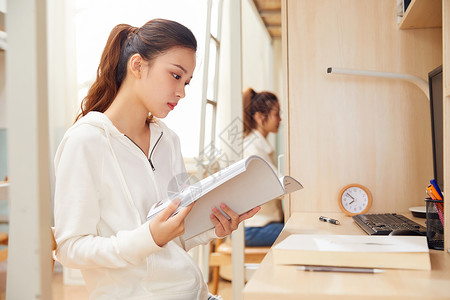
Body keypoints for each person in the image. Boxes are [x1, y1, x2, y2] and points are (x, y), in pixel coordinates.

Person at [53, 19, 259, 300]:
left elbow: (174, 240)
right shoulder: (85, 141)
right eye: (176, 76)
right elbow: (70, 249)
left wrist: (213, 227)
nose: (182, 92)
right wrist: (149, 237)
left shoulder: (169, 140)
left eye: (187, 82)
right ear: (137, 66)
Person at [242, 88, 284, 247]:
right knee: (300, 233)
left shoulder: (258, 145)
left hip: (261, 225)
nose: (280, 119)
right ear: (260, 117)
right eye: (276, 114)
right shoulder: (252, 149)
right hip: (253, 229)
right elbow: (278, 186)